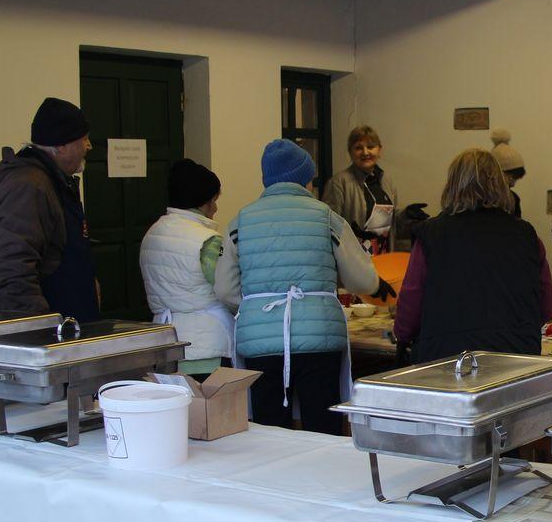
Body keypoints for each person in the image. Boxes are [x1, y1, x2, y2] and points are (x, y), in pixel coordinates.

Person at [231, 139, 392, 434]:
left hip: (260, 341)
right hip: (319, 336)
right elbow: (364, 280)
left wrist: (256, 304)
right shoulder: (326, 217)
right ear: (306, 177)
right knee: (322, 430)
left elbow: (223, 287)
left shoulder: (240, 221)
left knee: (269, 434)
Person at [394, 150, 552, 364]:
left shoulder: (431, 234)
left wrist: (403, 335)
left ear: (452, 185)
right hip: (517, 356)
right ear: (501, 185)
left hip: (447, 359)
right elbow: (547, 307)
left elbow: (410, 306)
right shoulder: (527, 235)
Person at [0, 97, 98, 322]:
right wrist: (36, 330)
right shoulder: (28, 186)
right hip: (50, 332)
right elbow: (15, 267)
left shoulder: (53, 180)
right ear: (62, 146)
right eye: (84, 139)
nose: (89, 146)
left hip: (70, 324)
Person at [139, 159, 240, 374]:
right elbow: (227, 289)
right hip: (207, 345)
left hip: (164, 341)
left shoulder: (152, 234)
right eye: (213, 200)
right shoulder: (206, 240)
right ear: (201, 201)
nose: (216, 208)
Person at [322, 125, 402, 253]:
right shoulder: (338, 183)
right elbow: (328, 227)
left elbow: (393, 222)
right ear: (350, 152)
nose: (365, 152)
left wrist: (407, 216)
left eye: (370, 147)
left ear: (379, 150)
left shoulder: (386, 180)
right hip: (353, 259)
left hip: (384, 257)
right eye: (358, 148)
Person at [490, 128, 526, 219]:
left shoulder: (514, 198)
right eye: (512, 178)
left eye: (516, 178)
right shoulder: (482, 199)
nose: (513, 184)